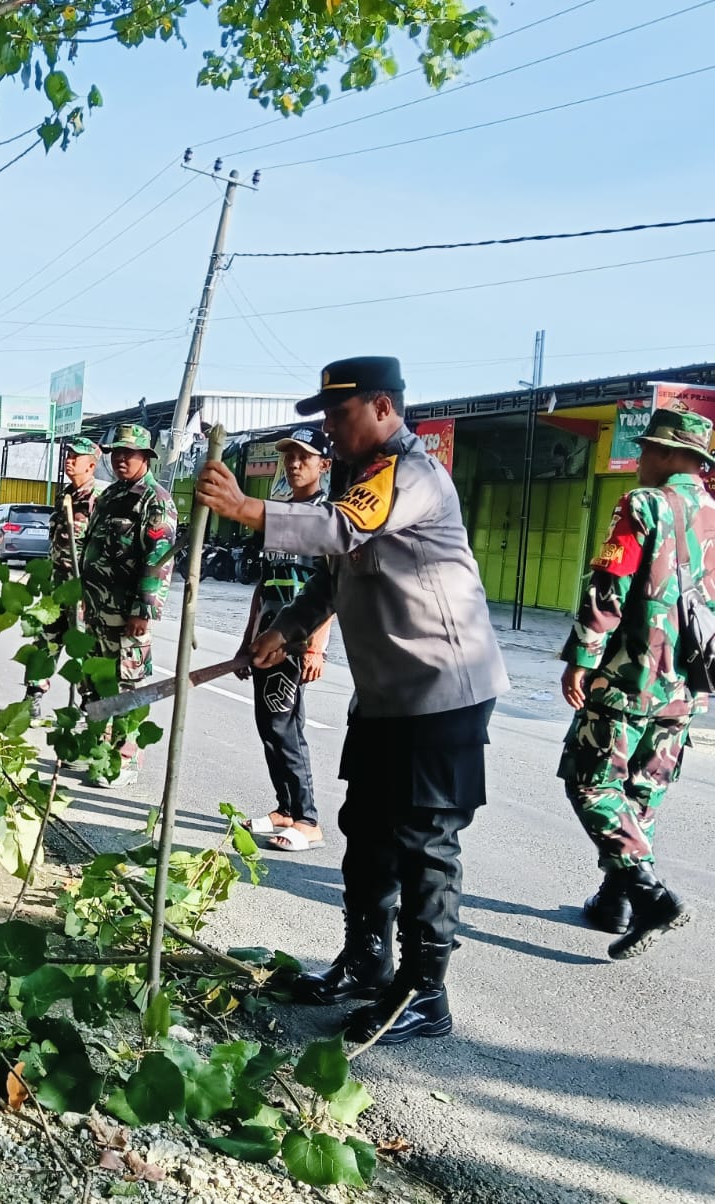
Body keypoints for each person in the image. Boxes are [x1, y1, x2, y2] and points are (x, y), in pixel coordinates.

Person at [196, 357, 508, 1047]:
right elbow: (337, 577)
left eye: (339, 415)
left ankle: (425, 995)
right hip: (388, 696)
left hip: (443, 693)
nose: (329, 429)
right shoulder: (357, 480)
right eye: (326, 417)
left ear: (384, 409)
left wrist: (248, 509)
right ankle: (367, 962)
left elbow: (338, 531)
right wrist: (284, 629)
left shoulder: (412, 476)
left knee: (425, 841)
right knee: (366, 829)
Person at [557, 408, 713, 959]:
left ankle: (649, 895)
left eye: (648, 449)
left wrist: (582, 655)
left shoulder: (643, 504)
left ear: (672, 456)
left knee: (592, 782)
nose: (641, 458)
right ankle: (614, 900)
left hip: (629, 675)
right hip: (687, 683)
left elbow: (610, 585)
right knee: (641, 793)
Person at [235, 428, 336, 852]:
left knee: (284, 727)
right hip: (267, 637)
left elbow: (330, 587)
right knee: (268, 726)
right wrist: (247, 640)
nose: (294, 464)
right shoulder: (277, 514)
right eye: (289, 456)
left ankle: (308, 819)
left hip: (296, 643)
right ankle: (285, 809)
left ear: (324, 465)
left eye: (305, 457)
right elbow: (263, 586)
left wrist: (317, 646)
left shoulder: (326, 516)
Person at [78, 423, 177, 786]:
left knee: (126, 685)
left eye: (129, 453)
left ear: (145, 457)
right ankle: (98, 751)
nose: (121, 458)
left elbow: (160, 558)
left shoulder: (155, 500)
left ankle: (125, 758)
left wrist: (144, 609)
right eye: (116, 452)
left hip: (128, 613)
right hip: (98, 609)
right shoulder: (110, 496)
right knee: (96, 680)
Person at [25, 435, 105, 718]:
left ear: (91, 465)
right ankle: (32, 697)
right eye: (68, 456)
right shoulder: (65, 496)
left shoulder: (98, 501)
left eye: (76, 457)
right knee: (45, 641)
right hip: (56, 586)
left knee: (83, 649)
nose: (69, 461)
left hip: (81, 589)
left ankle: (86, 708)